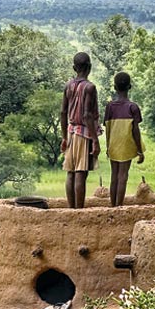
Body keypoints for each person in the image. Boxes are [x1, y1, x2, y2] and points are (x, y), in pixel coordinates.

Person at [60, 52, 99, 209]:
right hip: (83, 133)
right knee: (81, 173)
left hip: (70, 131)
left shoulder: (68, 86)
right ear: (89, 67)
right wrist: (95, 139)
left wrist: (64, 137)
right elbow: (87, 115)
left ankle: (72, 209)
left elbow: (63, 112)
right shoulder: (89, 87)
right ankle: (79, 211)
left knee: (70, 172)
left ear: (74, 68)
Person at [103, 71, 144, 207]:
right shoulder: (133, 107)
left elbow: (108, 127)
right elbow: (135, 130)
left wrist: (108, 146)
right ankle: (118, 207)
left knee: (114, 176)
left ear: (115, 87)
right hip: (126, 145)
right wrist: (139, 150)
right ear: (129, 87)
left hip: (113, 145)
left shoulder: (109, 107)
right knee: (123, 176)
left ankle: (113, 205)